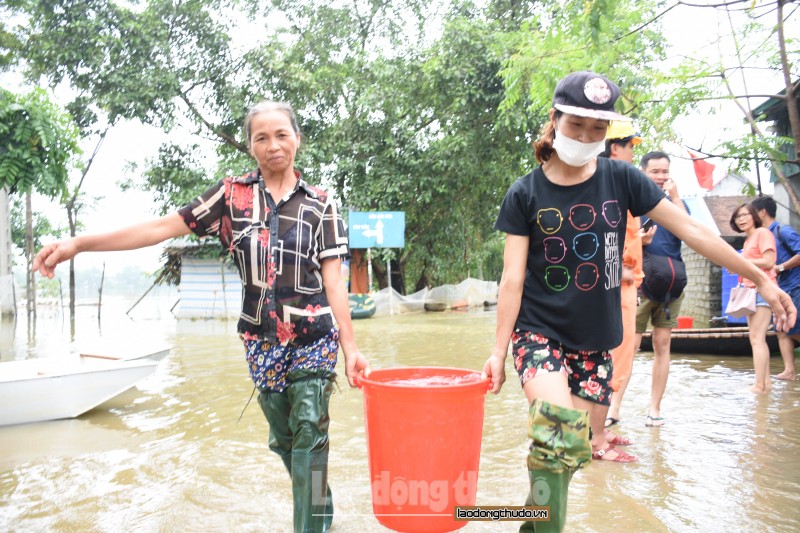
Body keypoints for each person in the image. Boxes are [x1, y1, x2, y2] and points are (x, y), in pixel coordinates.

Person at [32, 101, 370, 533]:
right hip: (261, 343)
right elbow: (159, 229)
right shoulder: (231, 197)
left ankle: (313, 528)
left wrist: (351, 348)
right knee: (289, 444)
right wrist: (79, 243)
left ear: (297, 139)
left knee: (311, 431)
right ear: (251, 146)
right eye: (261, 137)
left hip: (314, 338)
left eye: (282, 135)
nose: (273, 145)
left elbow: (335, 282)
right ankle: (322, 510)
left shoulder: (321, 204)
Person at [482, 70, 795, 532]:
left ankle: (533, 520)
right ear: (555, 119)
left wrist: (761, 279)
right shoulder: (524, 193)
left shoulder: (622, 179)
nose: (586, 137)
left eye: (597, 128)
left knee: (576, 454)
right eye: (576, 126)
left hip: (595, 339)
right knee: (559, 437)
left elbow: (691, 230)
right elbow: (511, 280)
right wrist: (497, 350)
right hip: (538, 330)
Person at [595, 121, 651, 459]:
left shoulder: (615, 183)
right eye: (631, 146)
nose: (633, 152)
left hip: (621, 280)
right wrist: (621, 272)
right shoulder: (613, 184)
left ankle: (601, 428)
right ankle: (597, 435)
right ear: (616, 147)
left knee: (618, 353)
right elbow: (605, 231)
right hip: (618, 283)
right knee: (615, 352)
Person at [634, 151, 687, 428]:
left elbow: (689, 230)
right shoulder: (633, 204)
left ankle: (655, 407)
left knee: (662, 344)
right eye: (655, 171)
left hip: (671, 282)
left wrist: (676, 198)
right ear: (643, 172)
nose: (661, 177)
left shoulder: (675, 205)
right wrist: (640, 242)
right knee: (628, 346)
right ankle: (613, 407)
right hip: (640, 282)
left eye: (665, 171)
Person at [730, 203, 778, 393]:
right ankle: (765, 383)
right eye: (737, 217)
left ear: (754, 216)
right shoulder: (748, 239)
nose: (741, 219)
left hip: (762, 289)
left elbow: (769, 261)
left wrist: (740, 261)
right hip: (750, 291)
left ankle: (760, 385)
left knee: (757, 339)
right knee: (756, 339)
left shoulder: (762, 233)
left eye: (745, 215)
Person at [752, 195, 800, 380]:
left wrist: (780, 267)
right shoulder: (765, 235)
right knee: (781, 329)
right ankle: (789, 371)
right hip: (779, 288)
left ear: (762, 212)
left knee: (793, 328)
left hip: (795, 286)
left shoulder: (782, 231)